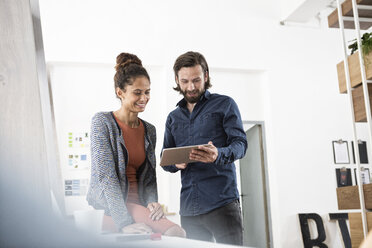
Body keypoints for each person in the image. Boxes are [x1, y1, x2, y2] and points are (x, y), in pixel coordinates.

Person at [87, 52, 185, 237]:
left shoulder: (149, 130)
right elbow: (107, 177)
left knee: (170, 234)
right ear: (120, 92)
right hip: (112, 207)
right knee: (175, 232)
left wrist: (152, 202)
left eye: (147, 92)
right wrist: (123, 222)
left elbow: (149, 177)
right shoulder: (102, 122)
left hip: (138, 205)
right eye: (137, 92)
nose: (144, 98)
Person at [162, 51, 248, 245]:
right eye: (184, 81)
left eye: (196, 80)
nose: (191, 87)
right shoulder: (173, 118)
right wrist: (176, 163)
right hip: (189, 208)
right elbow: (164, 159)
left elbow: (241, 144)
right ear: (177, 79)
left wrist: (219, 153)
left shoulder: (225, 104)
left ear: (206, 76)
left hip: (222, 203)